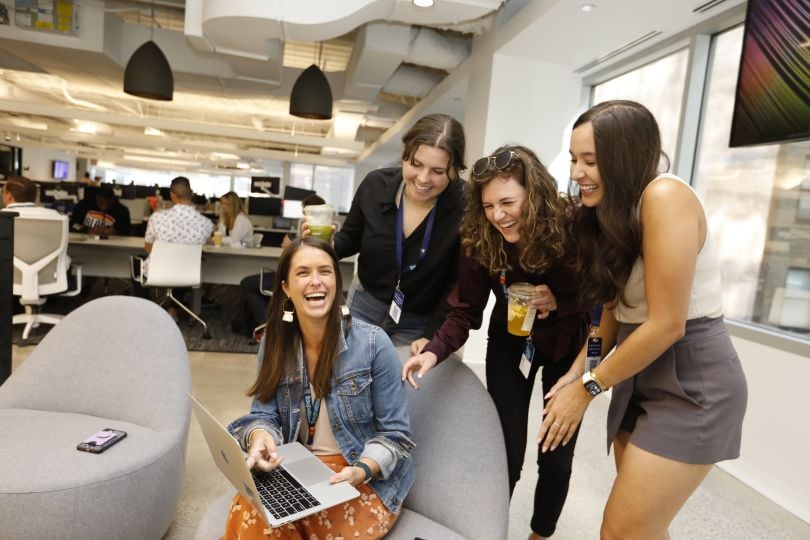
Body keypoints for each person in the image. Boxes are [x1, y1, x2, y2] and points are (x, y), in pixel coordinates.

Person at [538, 100, 748, 539]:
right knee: (643, 531)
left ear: (624, 157)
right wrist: (577, 372)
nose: (576, 172)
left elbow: (668, 324)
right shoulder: (612, 213)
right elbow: (612, 312)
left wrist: (589, 387)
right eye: (575, 159)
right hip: (638, 367)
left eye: (590, 161)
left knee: (619, 532)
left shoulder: (665, 197)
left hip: (691, 377)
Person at [402, 145, 589, 539]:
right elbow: (465, 310)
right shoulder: (479, 239)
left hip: (567, 344)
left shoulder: (574, 228)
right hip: (510, 342)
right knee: (506, 453)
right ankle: (490, 532)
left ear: (534, 196)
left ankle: (540, 533)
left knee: (555, 455)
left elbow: (602, 299)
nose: (498, 215)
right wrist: (434, 352)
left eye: (508, 202)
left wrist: (562, 301)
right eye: (488, 206)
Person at [224, 237, 414, 539]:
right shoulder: (274, 342)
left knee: (270, 523)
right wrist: (260, 437)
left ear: (337, 282)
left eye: (325, 271)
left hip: (358, 478)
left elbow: (396, 437)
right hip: (295, 468)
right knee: (254, 511)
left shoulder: (374, 344)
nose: (316, 282)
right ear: (286, 287)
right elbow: (263, 415)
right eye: (303, 273)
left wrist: (362, 470)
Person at [323, 113, 467, 346]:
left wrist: (432, 335)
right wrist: (324, 245)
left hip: (418, 321)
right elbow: (350, 239)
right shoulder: (375, 185)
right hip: (365, 305)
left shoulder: (466, 207)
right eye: (415, 164)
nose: (423, 178)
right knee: (350, 375)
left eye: (438, 171)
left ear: (455, 170)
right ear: (404, 155)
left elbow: (457, 284)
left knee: (398, 381)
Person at [233, 194, 326, 336]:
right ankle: (261, 325)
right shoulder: (318, 231)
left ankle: (267, 328)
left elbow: (304, 257)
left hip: (292, 279)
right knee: (249, 283)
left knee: (248, 284)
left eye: (305, 212)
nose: (303, 216)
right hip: (291, 276)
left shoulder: (312, 232)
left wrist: (291, 246)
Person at [133, 176, 213, 313]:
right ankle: (173, 310)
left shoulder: (157, 218)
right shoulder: (207, 224)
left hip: (157, 272)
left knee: (137, 263)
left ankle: (144, 309)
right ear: (192, 194)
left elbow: (148, 249)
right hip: (188, 274)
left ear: (172, 195)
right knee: (182, 261)